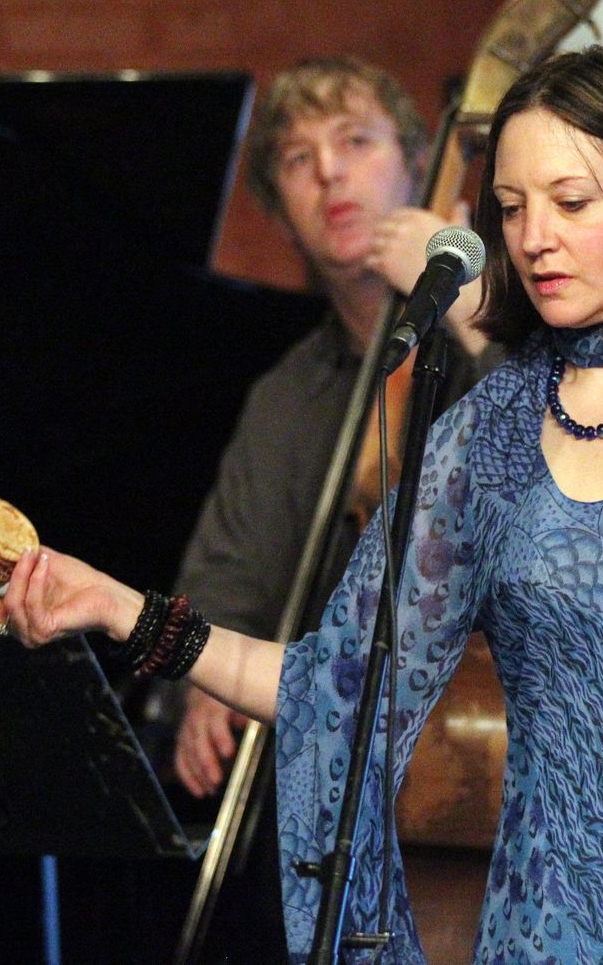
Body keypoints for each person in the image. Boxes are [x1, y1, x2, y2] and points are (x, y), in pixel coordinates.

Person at [0, 46, 603, 965]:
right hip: (557, 926)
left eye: (570, 200)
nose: (534, 237)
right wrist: (120, 609)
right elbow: (336, 684)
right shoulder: (491, 433)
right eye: (510, 207)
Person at [165, 56, 490, 801]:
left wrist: (471, 307)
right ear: (280, 212)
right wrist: (206, 676)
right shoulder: (284, 396)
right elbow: (228, 576)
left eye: (356, 141)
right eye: (296, 160)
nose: (329, 174)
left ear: (418, 164)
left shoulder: (513, 330)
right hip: (326, 771)